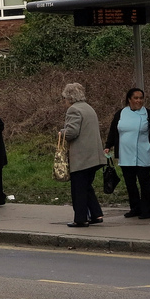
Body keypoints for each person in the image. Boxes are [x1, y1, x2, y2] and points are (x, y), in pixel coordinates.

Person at [105, 87, 150, 219]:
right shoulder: (121, 114)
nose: (138, 101)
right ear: (129, 99)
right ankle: (135, 208)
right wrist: (108, 145)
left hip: (142, 152)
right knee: (130, 183)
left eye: (141, 98)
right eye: (136, 98)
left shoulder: (149, 114)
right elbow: (113, 131)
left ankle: (148, 210)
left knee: (144, 182)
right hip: (125, 153)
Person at [61, 82, 107, 228]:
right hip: (94, 156)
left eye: (64, 98)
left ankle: (80, 219)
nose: (64, 101)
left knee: (78, 188)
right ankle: (96, 214)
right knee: (86, 186)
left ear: (70, 97)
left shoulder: (73, 110)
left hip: (81, 157)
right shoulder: (88, 108)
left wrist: (61, 133)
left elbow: (72, 132)